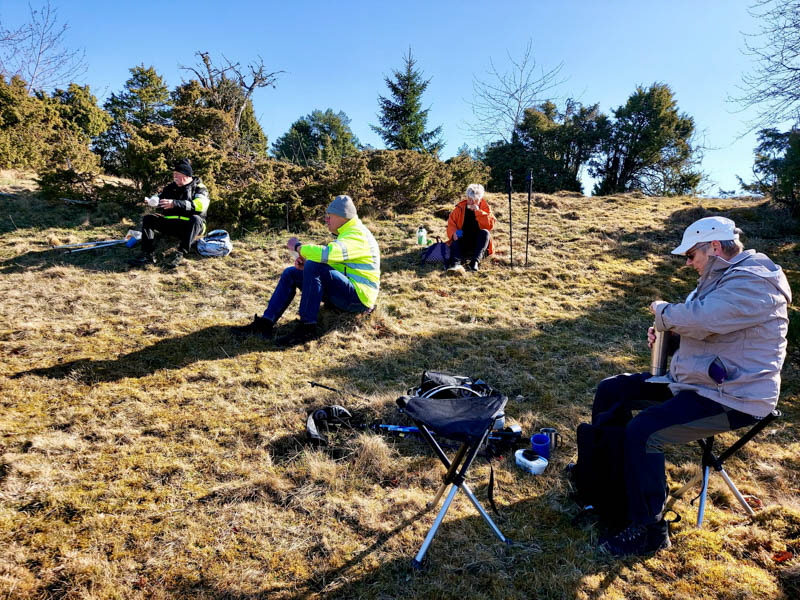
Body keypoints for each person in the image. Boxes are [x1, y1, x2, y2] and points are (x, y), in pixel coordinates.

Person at [592, 216, 791, 556]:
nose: (687, 263)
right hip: (697, 382)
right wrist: (668, 338)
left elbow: (704, 318)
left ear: (714, 247)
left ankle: (649, 530)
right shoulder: (718, 280)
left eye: (690, 255)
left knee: (645, 432)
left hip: (734, 396)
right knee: (612, 390)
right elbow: (706, 331)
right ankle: (606, 483)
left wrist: (664, 312)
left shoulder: (754, 281)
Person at [231, 195, 380, 346]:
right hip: (349, 291)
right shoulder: (348, 233)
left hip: (359, 299)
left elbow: (326, 254)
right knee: (291, 273)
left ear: (342, 216)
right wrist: (307, 267)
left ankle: (306, 329)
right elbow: (340, 263)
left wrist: (298, 247)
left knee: (314, 266)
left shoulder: (356, 235)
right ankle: (265, 324)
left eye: (329, 216)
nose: (326, 219)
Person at [128, 158, 210, 269]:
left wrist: (175, 203)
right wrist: (153, 201)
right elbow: (159, 197)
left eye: (177, 174)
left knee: (196, 219)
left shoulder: (199, 188)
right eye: (174, 174)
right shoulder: (170, 187)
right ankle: (147, 255)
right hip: (171, 223)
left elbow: (200, 206)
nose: (174, 177)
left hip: (190, 226)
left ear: (186, 175)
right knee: (148, 218)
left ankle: (180, 253)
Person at [445, 183, 496, 272]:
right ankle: (456, 264)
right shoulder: (460, 208)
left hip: (479, 244)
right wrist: (453, 233)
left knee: (485, 232)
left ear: (480, 199)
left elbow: (489, 225)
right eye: (469, 199)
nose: (470, 202)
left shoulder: (485, 208)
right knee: (457, 235)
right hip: (463, 238)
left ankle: (474, 262)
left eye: (474, 200)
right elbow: (451, 224)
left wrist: (478, 212)